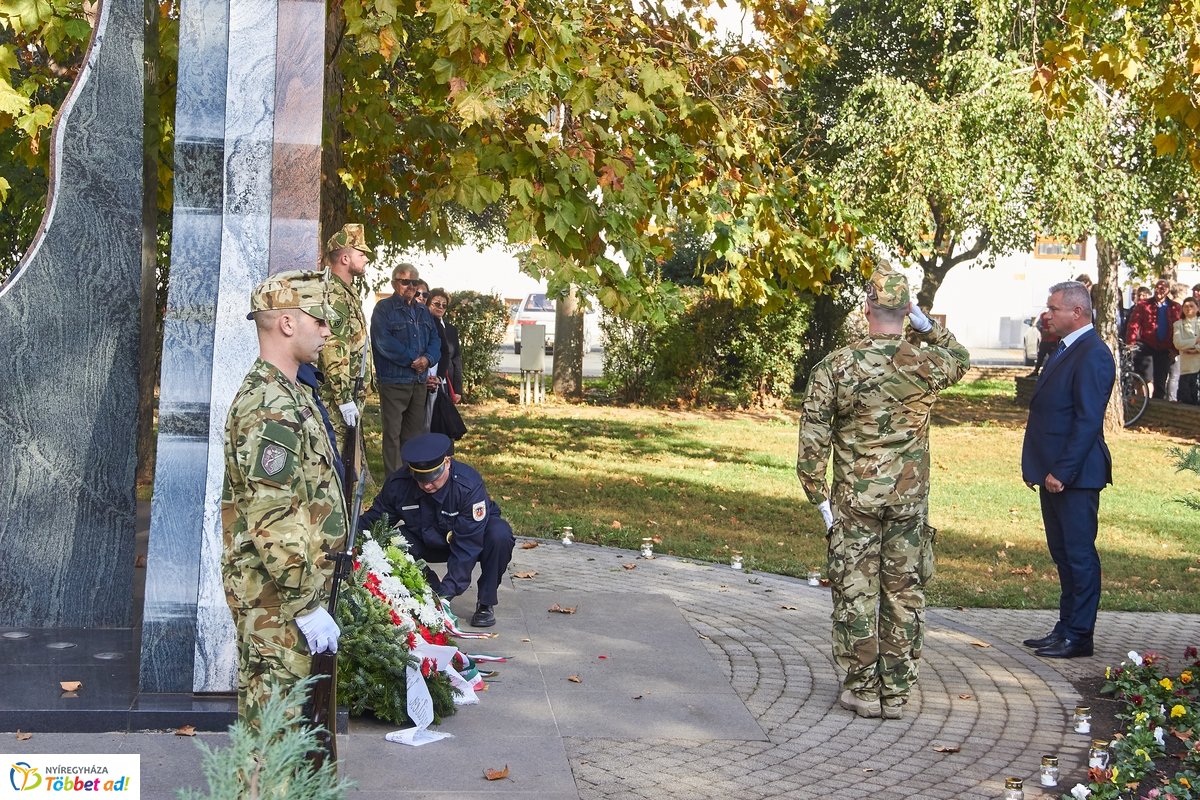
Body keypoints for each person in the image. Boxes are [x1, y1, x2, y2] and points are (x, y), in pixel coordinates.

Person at [796, 261, 969, 720]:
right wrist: (926, 325)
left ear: (867, 306)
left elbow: (811, 452)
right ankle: (895, 694)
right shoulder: (927, 362)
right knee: (904, 593)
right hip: (909, 503)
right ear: (905, 307)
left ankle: (861, 690)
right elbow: (962, 359)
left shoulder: (836, 367)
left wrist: (824, 507)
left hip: (854, 503)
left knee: (856, 592)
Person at [221, 270, 348, 725]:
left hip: (292, 598)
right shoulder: (267, 406)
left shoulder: (293, 392)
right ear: (288, 324)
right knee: (274, 744)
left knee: (294, 742)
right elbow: (272, 518)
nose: (328, 331)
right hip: (277, 604)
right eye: (320, 320)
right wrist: (306, 606)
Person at [1020, 280, 1115, 660]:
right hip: (1054, 474)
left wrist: (1062, 470)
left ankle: (1080, 635)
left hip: (1074, 476)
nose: (1047, 313)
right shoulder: (1064, 349)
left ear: (1077, 312)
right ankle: (1065, 627)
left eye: (1053, 308)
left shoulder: (1093, 353)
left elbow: (1087, 420)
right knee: (1063, 554)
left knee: (1079, 556)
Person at [358, 433, 515, 628]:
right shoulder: (398, 485)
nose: (427, 485)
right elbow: (375, 523)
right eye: (420, 479)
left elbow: (468, 546)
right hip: (426, 539)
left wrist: (448, 593)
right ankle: (429, 591)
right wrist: (346, 537)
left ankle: (486, 602)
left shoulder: (467, 486)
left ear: (447, 463)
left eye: (433, 478)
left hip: (470, 537)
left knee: (500, 534)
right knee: (392, 542)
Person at [371, 264, 441, 475]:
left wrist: (428, 359)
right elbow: (383, 342)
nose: (410, 286)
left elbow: (435, 340)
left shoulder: (423, 311)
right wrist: (414, 360)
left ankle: (412, 478)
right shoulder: (383, 309)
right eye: (404, 282)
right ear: (394, 283)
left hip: (418, 382)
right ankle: (394, 481)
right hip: (394, 382)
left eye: (413, 282)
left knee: (413, 435)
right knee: (392, 434)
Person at [318, 223, 372, 454]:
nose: (367, 259)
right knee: (335, 461)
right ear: (345, 258)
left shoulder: (347, 292)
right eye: (361, 254)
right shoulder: (335, 294)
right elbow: (333, 347)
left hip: (349, 394)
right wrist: (343, 399)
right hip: (336, 401)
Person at [1126, 278, 1182, 399]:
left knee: (1160, 382)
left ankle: (1158, 412)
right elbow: (1133, 325)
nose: (1159, 291)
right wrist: (1130, 343)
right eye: (1157, 287)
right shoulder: (1144, 305)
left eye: (1163, 288)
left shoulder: (1175, 307)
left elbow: (1178, 330)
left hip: (1165, 349)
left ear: (1168, 290)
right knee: (1145, 379)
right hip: (1147, 346)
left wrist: (1175, 350)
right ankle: (1143, 406)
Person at [427, 288, 463, 400]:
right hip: (426, 381)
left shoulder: (451, 330)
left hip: (445, 382)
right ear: (428, 304)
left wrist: (457, 390)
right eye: (437, 304)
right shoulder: (422, 326)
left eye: (444, 305)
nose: (441, 307)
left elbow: (456, 359)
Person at [1174, 297, 1200, 406]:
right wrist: (1196, 340)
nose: (1188, 308)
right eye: (1185, 306)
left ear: (1197, 308)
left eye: (1191, 306)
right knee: (1187, 400)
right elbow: (1178, 343)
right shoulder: (1178, 324)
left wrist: (1196, 349)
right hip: (1187, 368)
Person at [1030, 310, 1060, 377]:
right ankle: (1036, 371)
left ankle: (1055, 372)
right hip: (1044, 340)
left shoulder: (1057, 314)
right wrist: (1042, 330)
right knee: (1040, 356)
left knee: (1054, 357)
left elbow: (1060, 325)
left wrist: (1052, 332)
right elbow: (1038, 324)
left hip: (1053, 340)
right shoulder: (1043, 315)